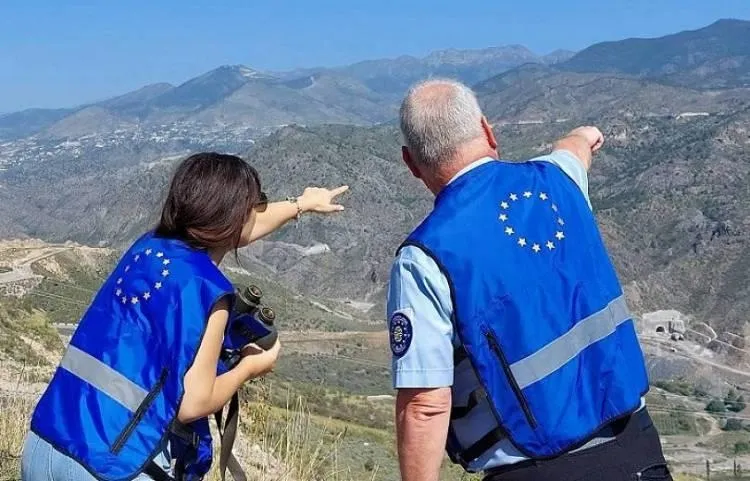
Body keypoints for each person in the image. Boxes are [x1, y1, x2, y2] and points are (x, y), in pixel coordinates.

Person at [387, 79, 672, 481]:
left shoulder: (424, 257)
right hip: (637, 451)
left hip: (534, 469)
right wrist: (585, 134)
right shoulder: (560, 180)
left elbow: (425, 405)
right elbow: (572, 151)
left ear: (411, 163)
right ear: (487, 130)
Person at [20, 152, 349, 481]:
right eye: (256, 204)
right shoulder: (209, 290)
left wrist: (301, 204)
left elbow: (244, 225)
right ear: (234, 217)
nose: (260, 211)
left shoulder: (147, 246)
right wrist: (250, 367)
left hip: (45, 445)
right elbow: (194, 403)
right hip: (112, 465)